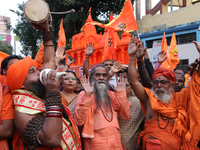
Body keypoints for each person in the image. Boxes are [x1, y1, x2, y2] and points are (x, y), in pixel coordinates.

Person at [6, 19, 81, 150]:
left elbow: (48, 61)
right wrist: (52, 91)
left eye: (36, 68)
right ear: (21, 84)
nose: (39, 71)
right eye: (32, 71)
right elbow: (52, 140)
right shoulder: (22, 111)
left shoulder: (39, 92)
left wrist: (46, 30)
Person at [128, 36, 200, 149]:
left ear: (171, 85)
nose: (159, 85)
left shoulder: (180, 98)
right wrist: (132, 56)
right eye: (156, 82)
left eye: (164, 83)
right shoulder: (148, 99)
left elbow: (196, 85)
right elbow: (133, 81)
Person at [74, 64, 130, 150]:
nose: (101, 78)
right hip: (95, 143)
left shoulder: (112, 94)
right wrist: (87, 96)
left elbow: (125, 115)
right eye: (98, 75)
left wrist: (121, 93)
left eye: (104, 75)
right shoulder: (84, 94)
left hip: (115, 141)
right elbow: (79, 121)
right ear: (92, 77)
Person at [118, 77, 145, 150]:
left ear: (131, 88)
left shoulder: (138, 102)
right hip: (115, 140)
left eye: (126, 85)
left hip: (132, 140)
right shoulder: (113, 101)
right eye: (120, 84)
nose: (123, 87)